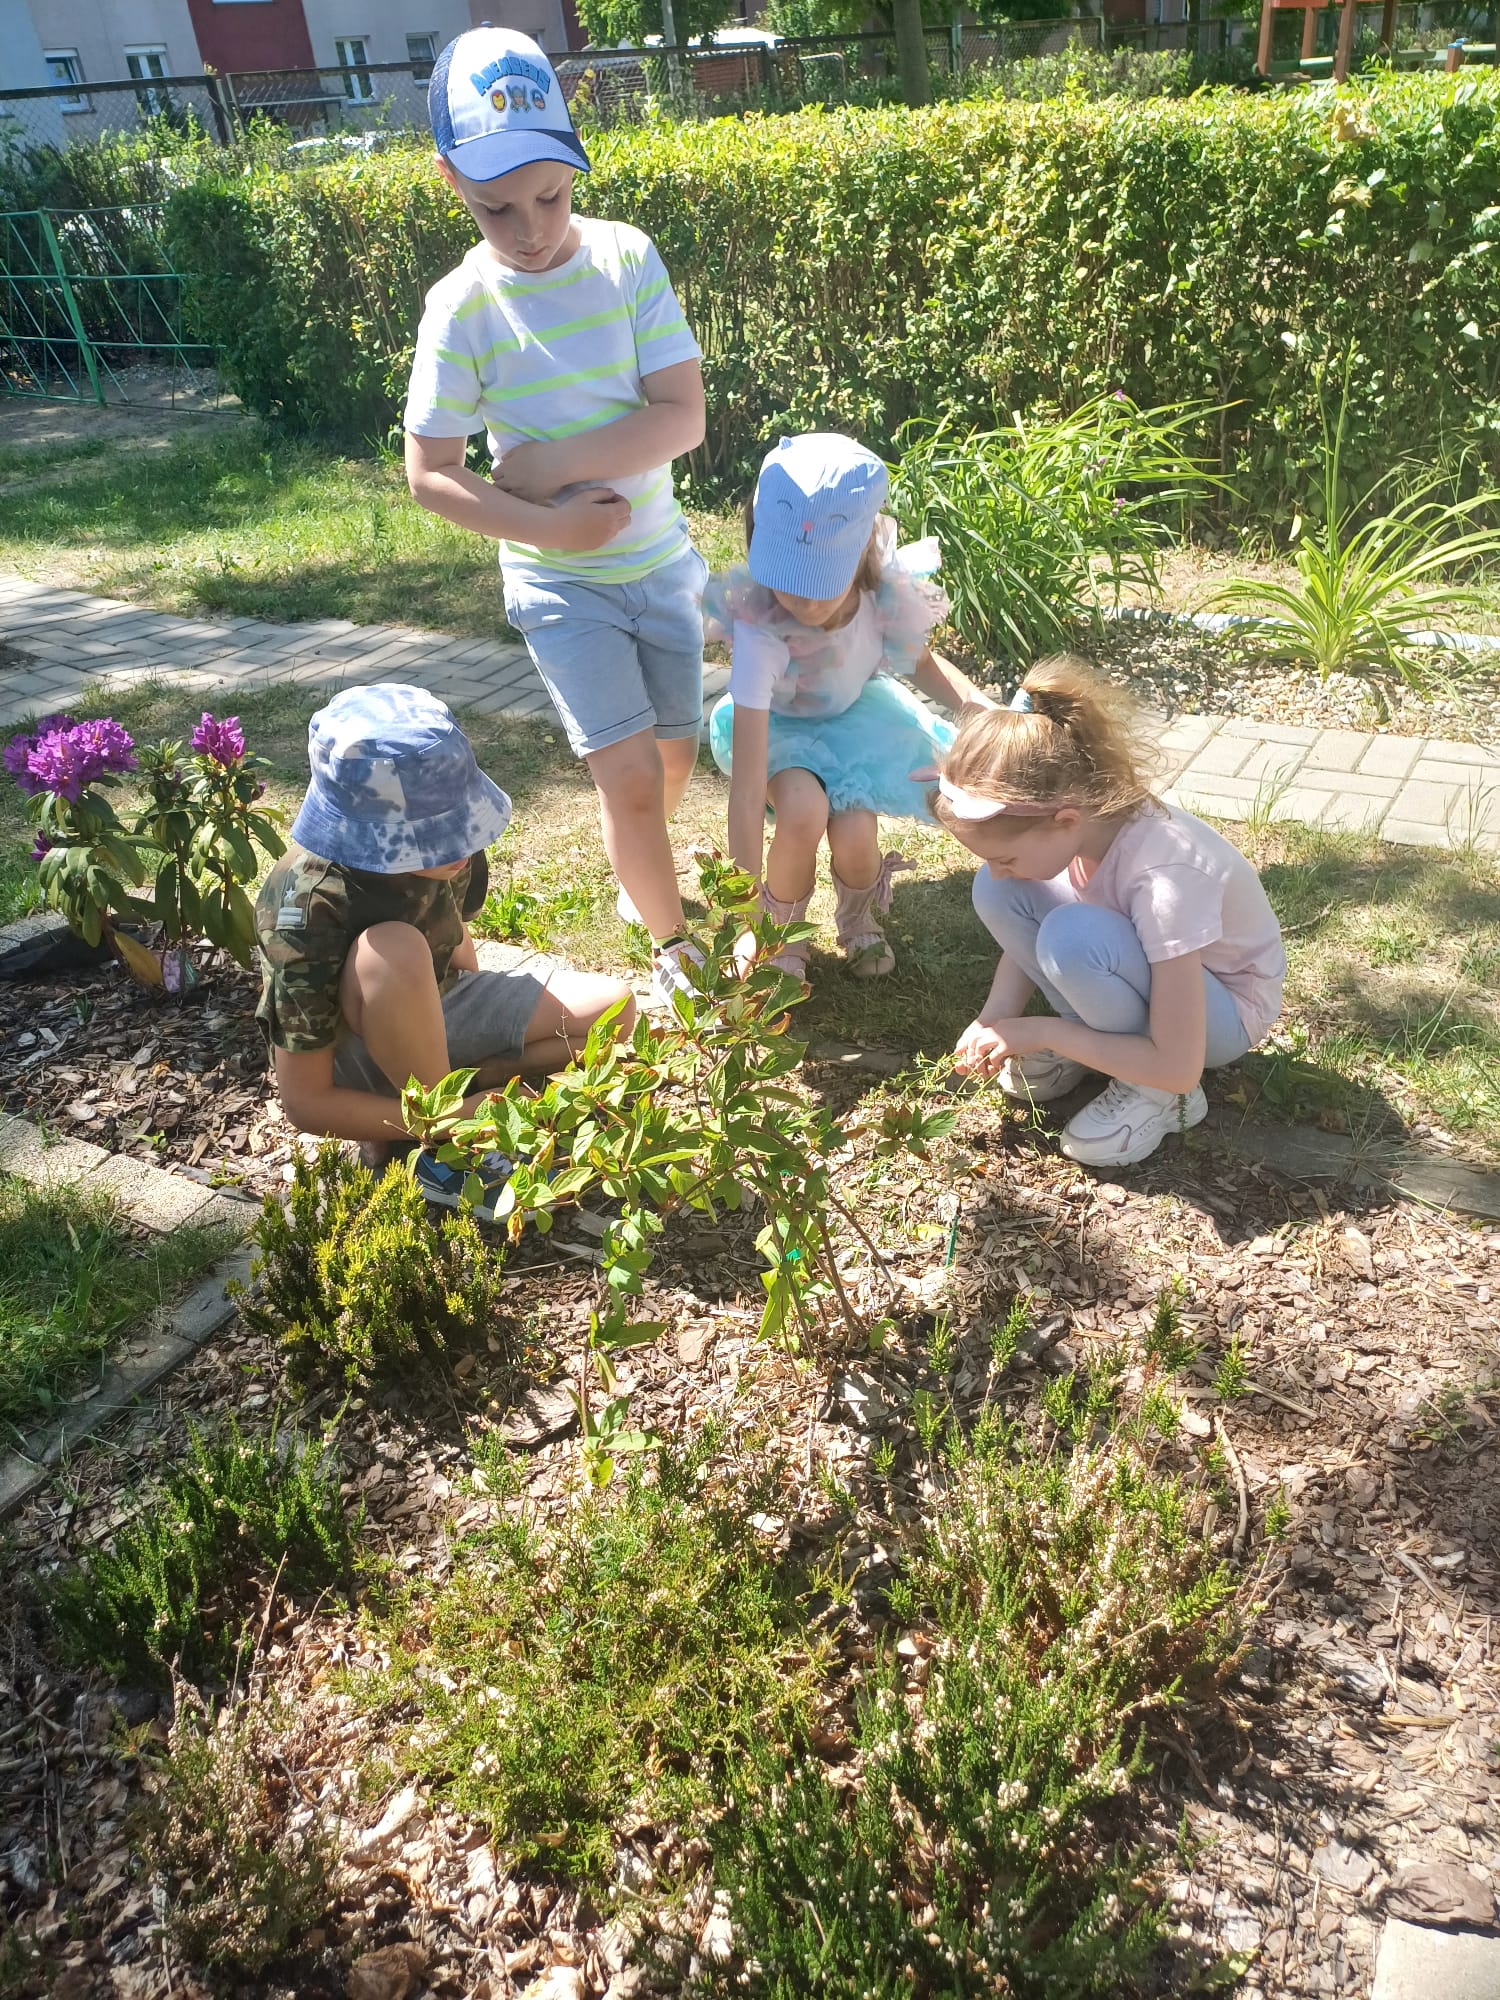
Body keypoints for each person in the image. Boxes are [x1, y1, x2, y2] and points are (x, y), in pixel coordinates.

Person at [403, 25, 707, 1010]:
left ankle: (641, 869)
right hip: (560, 585)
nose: (530, 227)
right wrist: (550, 528)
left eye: (551, 195)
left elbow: (683, 416)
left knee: (672, 757)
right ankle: (671, 945)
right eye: (498, 206)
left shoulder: (626, 261)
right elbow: (430, 475)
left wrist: (544, 464)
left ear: (576, 166)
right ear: (451, 178)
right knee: (623, 775)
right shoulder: (460, 309)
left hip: (661, 568)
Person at [254, 684, 634, 1215]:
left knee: (615, 1007)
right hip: (351, 1054)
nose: (461, 848)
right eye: (434, 837)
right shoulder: (308, 901)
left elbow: (456, 947)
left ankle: (455, 1097)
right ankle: (443, 1145)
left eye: (461, 824)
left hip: (426, 1009)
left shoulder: (456, 856)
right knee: (394, 948)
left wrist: (471, 1050)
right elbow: (305, 1101)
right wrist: (446, 1116)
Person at [935, 657, 1285, 1169]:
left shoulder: (1164, 879)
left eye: (1007, 855)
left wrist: (1040, 1032)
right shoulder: (1087, 829)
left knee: (1073, 939)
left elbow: (1181, 1063)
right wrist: (997, 1018)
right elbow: (1021, 917)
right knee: (996, 892)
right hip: (1156, 972)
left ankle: (1156, 1095)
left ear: (1064, 820)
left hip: (1220, 1017)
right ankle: (1094, 1046)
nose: (1004, 869)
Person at [704, 433, 995, 978]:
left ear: (861, 551)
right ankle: (778, 930)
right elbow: (746, 795)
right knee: (803, 809)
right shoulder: (763, 630)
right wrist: (741, 918)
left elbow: (926, 666)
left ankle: (858, 919)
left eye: (821, 581)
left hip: (857, 724)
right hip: (781, 733)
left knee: (857, 830)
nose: (806, 601)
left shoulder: (880, 598)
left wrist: (985, 712)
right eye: (791, 581)